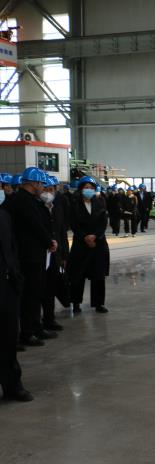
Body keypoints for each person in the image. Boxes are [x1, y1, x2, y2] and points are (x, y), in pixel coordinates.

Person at [8, 167, 57, 346]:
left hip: (33, 253)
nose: (43, 188)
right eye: (41, 184)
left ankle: (35, 327)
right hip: (29, 255)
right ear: (34, 183)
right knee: (30, 294)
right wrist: (49, 242)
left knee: (36, 293)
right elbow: (35, 226)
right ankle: (28, 333)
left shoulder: (27, 200)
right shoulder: (23, 201)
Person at [0, 189, 32, 401]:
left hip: (6, 285)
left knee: (8, 338)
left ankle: (12, 385)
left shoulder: (4, 215)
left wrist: (15, 276)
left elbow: (12, 248)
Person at [69, 176, 110, 314]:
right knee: (78, 275)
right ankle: (76, 303)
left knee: (98, 274)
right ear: (81, 189)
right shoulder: (75, 205)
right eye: (86, 187)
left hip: (98, 243)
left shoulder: (100, 203)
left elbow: (103, 222)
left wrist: (95, 236)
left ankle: (98, 304)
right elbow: (73, 224)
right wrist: (85, 237)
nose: (89, 190)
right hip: (81, 244)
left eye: (91, 188)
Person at [41, 176, 69, 331]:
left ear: (55, 191)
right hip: (40, 255)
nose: (47, 192)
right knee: (39, 289)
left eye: (50, 189)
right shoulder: (37, 208)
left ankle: (49, 319)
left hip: (55, 255)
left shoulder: (57, 208)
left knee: (51, 288)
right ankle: (36, 321)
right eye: (44, 189)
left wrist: (64, 255)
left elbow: (62, 233)